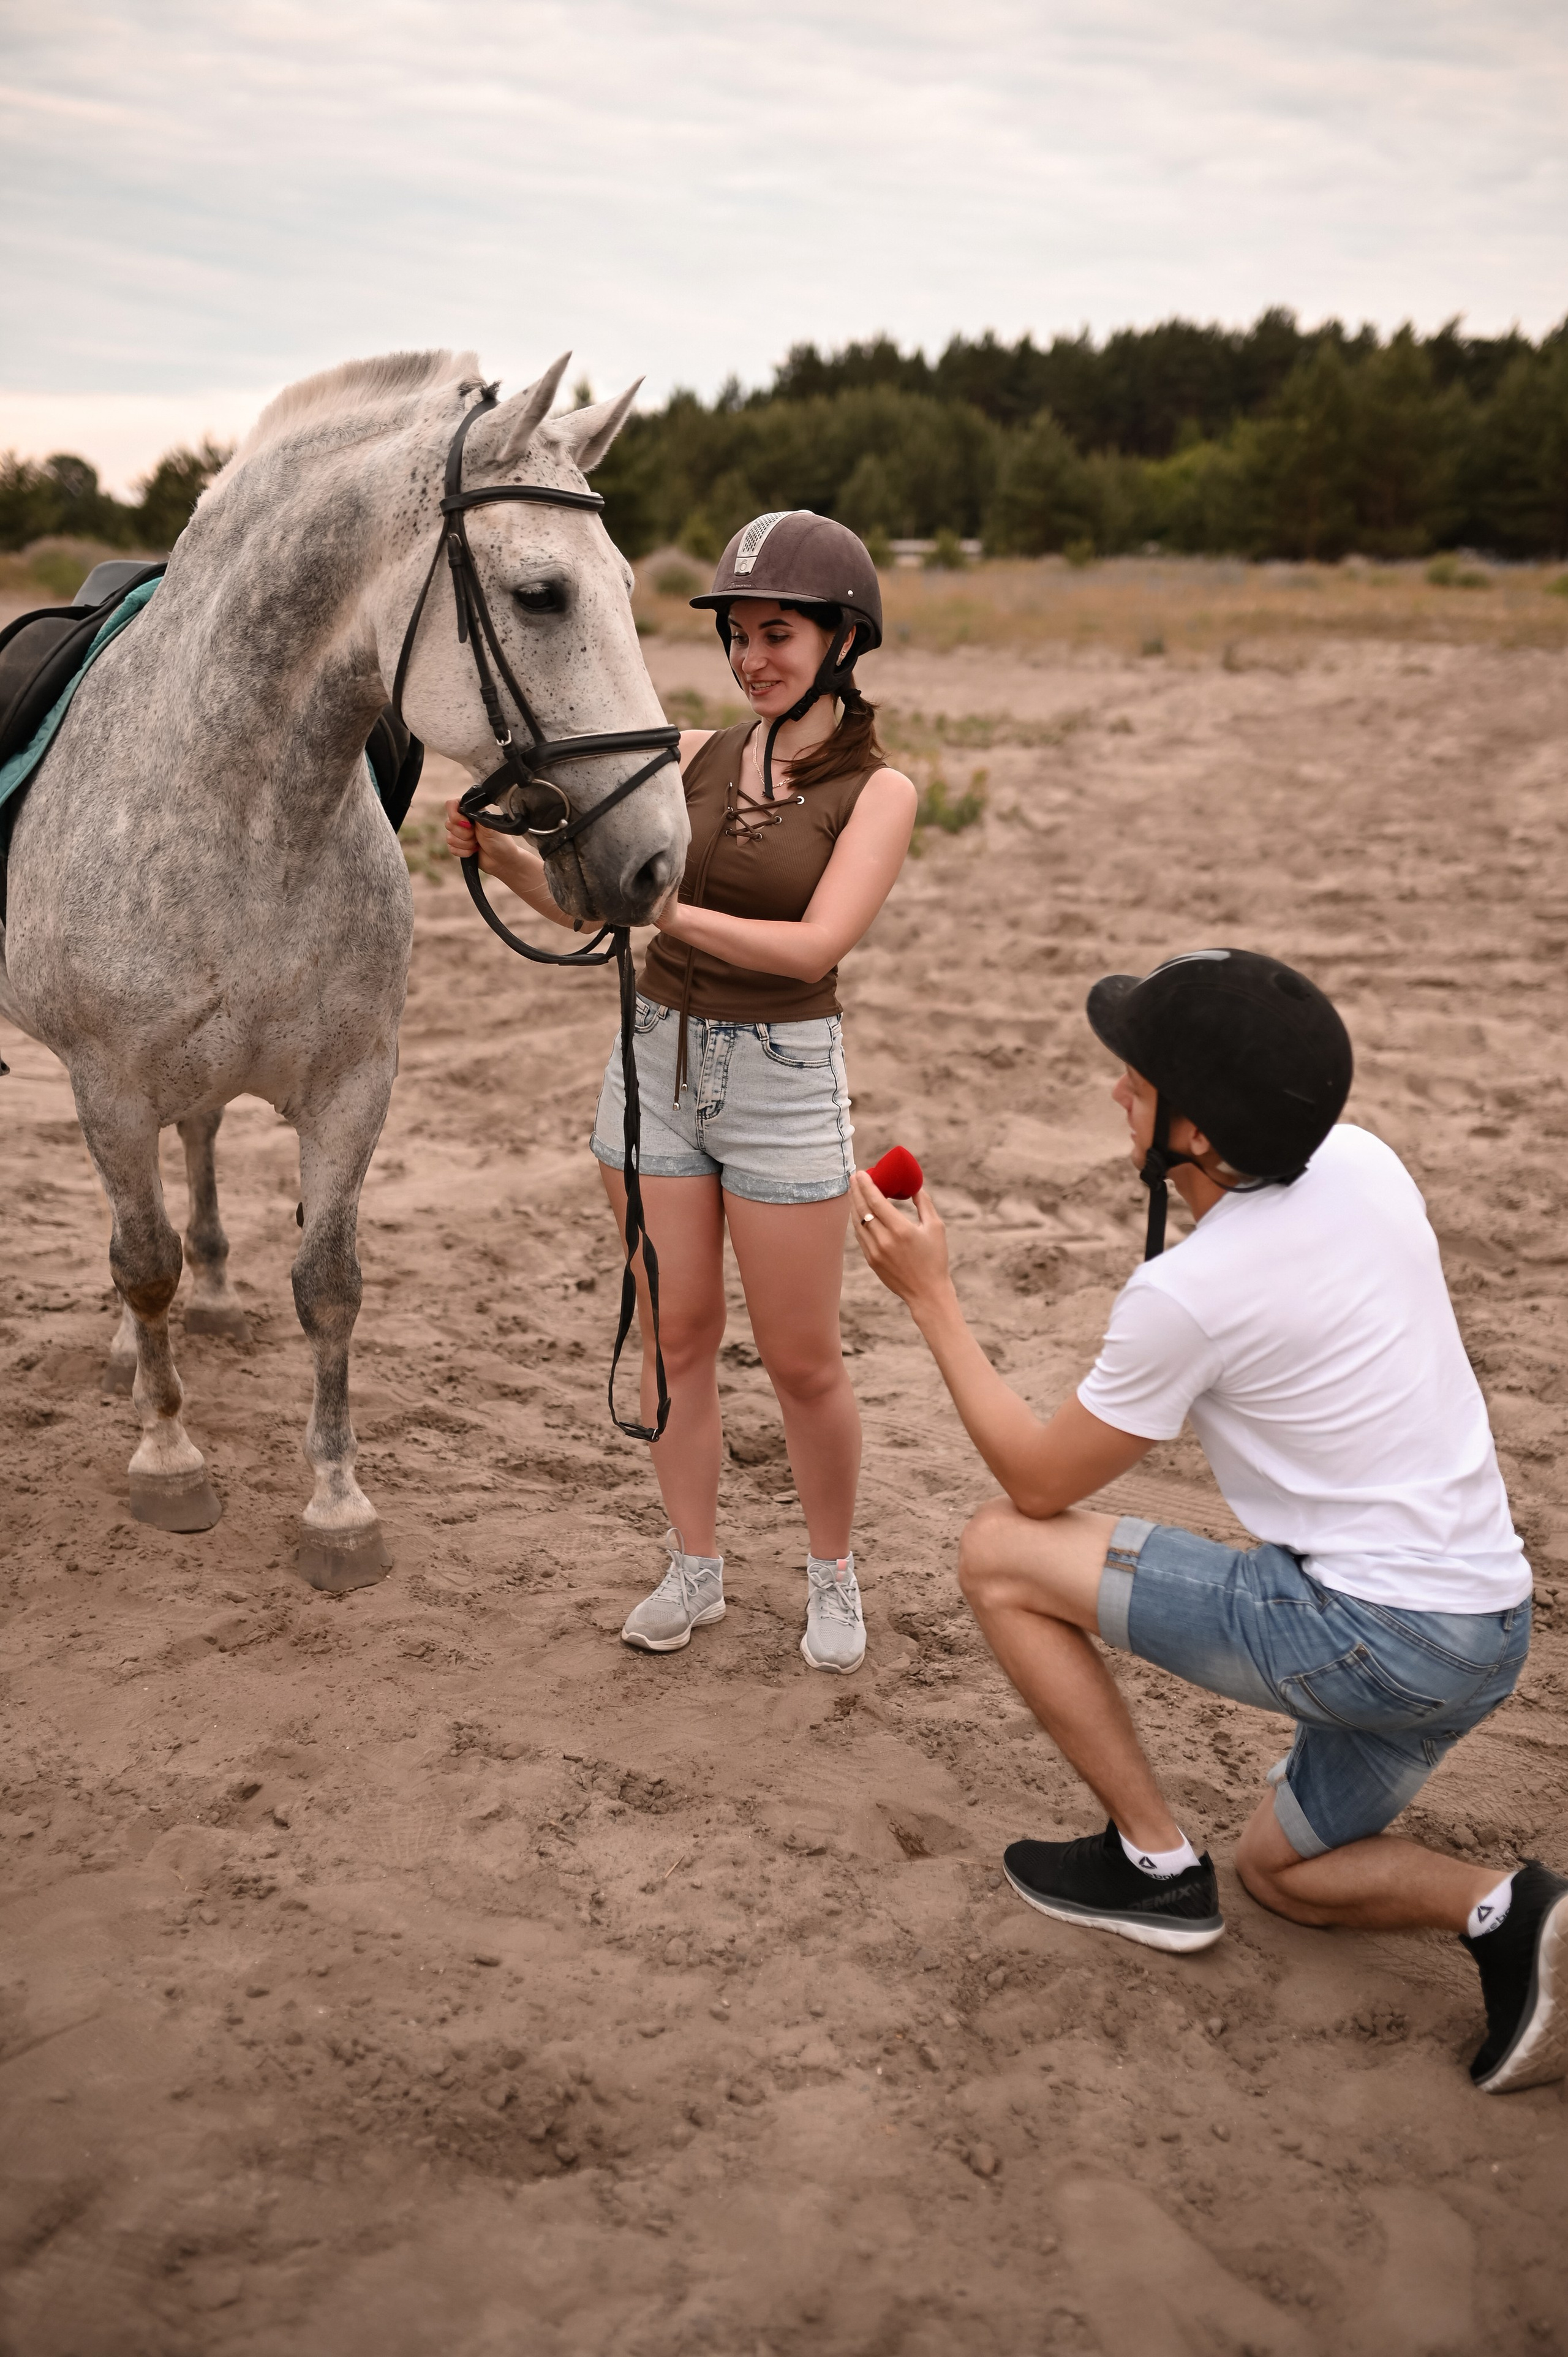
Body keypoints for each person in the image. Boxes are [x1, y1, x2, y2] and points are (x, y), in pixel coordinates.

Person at [850, 946, 1566, 2095]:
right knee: (1283, 1875)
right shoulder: (1364, 1163)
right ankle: (1512, 1911)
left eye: (1137, 1083)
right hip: (1487, 1626)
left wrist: (932, 1297)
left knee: (998, 1553)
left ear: (1195, 1134)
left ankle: (1151, 1864)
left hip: (1374, 1639)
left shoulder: (1194, 1292)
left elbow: (1036, 1484)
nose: (1115, 1090)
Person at [447, 511, 916, 1675]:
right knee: (676, 1335)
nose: (753, 658)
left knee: (803, 1360)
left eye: (778, 634)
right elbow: (588, 905)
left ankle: (832, 1571)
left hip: (781, 1078)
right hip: (654, 1063)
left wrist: (666, 912)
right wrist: (501, 856)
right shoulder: (695, 753)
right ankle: (694, 1565)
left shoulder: (879, 792)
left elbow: (813, 949)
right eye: (740, 636)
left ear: (843, 639)